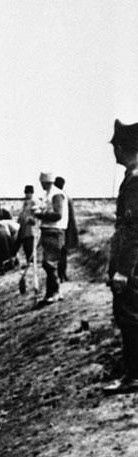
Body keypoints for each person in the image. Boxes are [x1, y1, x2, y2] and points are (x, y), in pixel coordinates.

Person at [105, 119, 138, 394]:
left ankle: (133, 375)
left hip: (133, 265)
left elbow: (133, 228)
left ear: (124, 147)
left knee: (130, 317)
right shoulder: (132, 177)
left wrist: (124, 269)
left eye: (116, 146)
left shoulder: (135, 180)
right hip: (130, 262)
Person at [37, 171, 69, 303]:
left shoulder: (56, 195)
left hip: (54, 231)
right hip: (48, 230)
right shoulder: (48, 195)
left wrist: (40, 214)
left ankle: (54, 292)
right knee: (49, 264)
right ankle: (52, 292)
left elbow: (58, 215)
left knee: (49, 263)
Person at [54, 176, 79, 282]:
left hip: (62, 228)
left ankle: (61, 274)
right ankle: (63, 274)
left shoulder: (60, 197)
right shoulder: (66, 196)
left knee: (60, 253)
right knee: (63, 253)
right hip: (67, 228)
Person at [16, 184, 37, 265]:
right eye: (26, 193)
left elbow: (36, 215)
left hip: (31, 228)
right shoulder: (25, 202)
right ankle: (28, 261)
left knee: (29, 245)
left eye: (29, 193)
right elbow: (22, 213)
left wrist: (31, 220)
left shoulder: (34, 201)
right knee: (25, 245)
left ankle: (31, 261)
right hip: (24, 227)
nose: (27, 195)